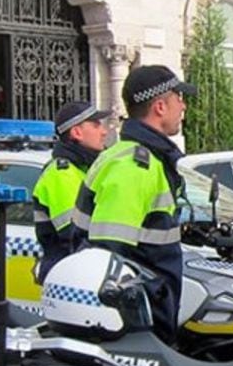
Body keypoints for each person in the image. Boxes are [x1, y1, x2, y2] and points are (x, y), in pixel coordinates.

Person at [71, 66, 197, 344]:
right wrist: (151, 305)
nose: (183, 105)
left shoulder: (139, 158)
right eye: (179, 97)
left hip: (148, 311)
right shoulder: (134, 166)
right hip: (140, 322)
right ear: (160, 106)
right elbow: (110, 256)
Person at [32, 101, 113, 282]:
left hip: (81, 272)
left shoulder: (84, 170)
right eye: (95, 125)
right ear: (76, 132)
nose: (104, 131)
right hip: (68, 277)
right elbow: (76, 235)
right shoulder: (61, 174)